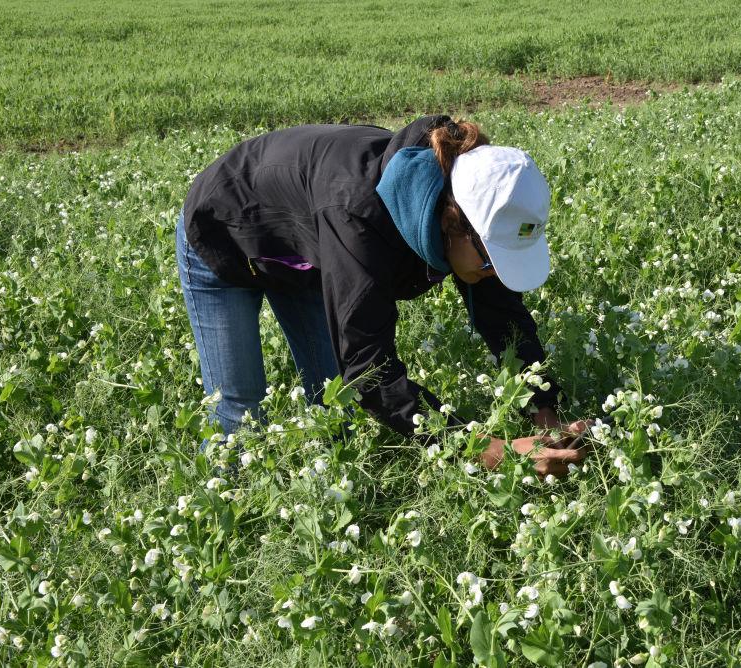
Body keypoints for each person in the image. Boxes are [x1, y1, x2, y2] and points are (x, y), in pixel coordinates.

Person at [176, 115, 588, 476]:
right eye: (490, 261)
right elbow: (370, 369)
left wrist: (543, 406)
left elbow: (502, 315)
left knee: (330, 403)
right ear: (453, 223)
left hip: (304, 249)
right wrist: (483, 449)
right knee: (240, 408)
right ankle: (222, 517)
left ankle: (327, 505)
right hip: (222, 231)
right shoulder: (359, 219)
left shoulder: (463, 198)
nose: (494, 273)